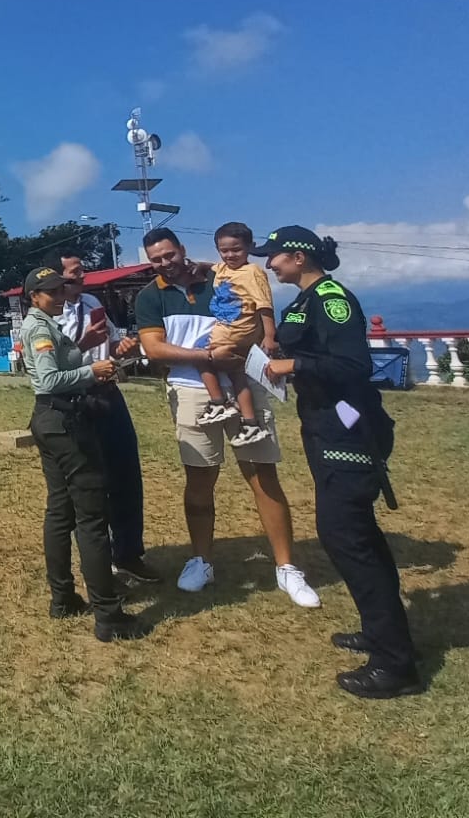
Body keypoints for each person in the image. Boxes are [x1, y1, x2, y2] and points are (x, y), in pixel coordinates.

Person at [256, 226, 423, 699]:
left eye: (276, 258)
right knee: (357, 533)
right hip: (325, 424)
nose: (270, 265)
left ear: (299, 257)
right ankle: (380, 631)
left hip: (346, 429)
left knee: (345, 534)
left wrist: (295, 366)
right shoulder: (308, 298)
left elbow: (354, 366)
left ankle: (395, 665)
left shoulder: (331, 298)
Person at [134, 228, 320, 607]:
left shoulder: (221, 277)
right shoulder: (151, 295)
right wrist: (207, 358)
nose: (164, 263)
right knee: (200, 477)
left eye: (169, 255)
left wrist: (255, 343)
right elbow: (154, 349)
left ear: (182, 250)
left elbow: (254, 312)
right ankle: (201, 559)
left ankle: (285, 565)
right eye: (156, 259)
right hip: (191, 389)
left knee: (263, 473)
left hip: (244, 382)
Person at [19, 265, 148, 642]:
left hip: (49, 419)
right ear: (35, 298)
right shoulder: (41, 328)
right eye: (53, 293)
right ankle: (108, 615)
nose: (61, 297)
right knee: (91, 516)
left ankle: (62, 598)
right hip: (64, 421)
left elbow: (61, 363)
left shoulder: (45, 325)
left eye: (63, 290)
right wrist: (93, 371)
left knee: (60, 510)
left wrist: (85, 350)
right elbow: (48, 379)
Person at [58, 255, 159, 584]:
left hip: (109, 395)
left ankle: (128, 554)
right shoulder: (48, 315)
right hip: (76, 399)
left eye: (81, 270)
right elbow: (50, 365)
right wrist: (82, 344)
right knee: (90, 486)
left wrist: (122, 346)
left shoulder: (90, 301)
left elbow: (111, 344)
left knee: (127, 476)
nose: (82, 276)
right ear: (56, 278)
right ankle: (98, 565)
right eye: (75, 273)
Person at [192, 222, 276, 447]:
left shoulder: (253, 272)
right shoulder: (222, 268)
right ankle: (250, 424)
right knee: (238, 375)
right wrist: (201, 265)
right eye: (224, 250)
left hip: (237, 329)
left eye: (236, 249)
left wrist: (270, 336)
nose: (230, 255)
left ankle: (218, 401)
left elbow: (264, 306)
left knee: (198, 355)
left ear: (250, 247)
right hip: (231, 329)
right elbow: (214, 267)